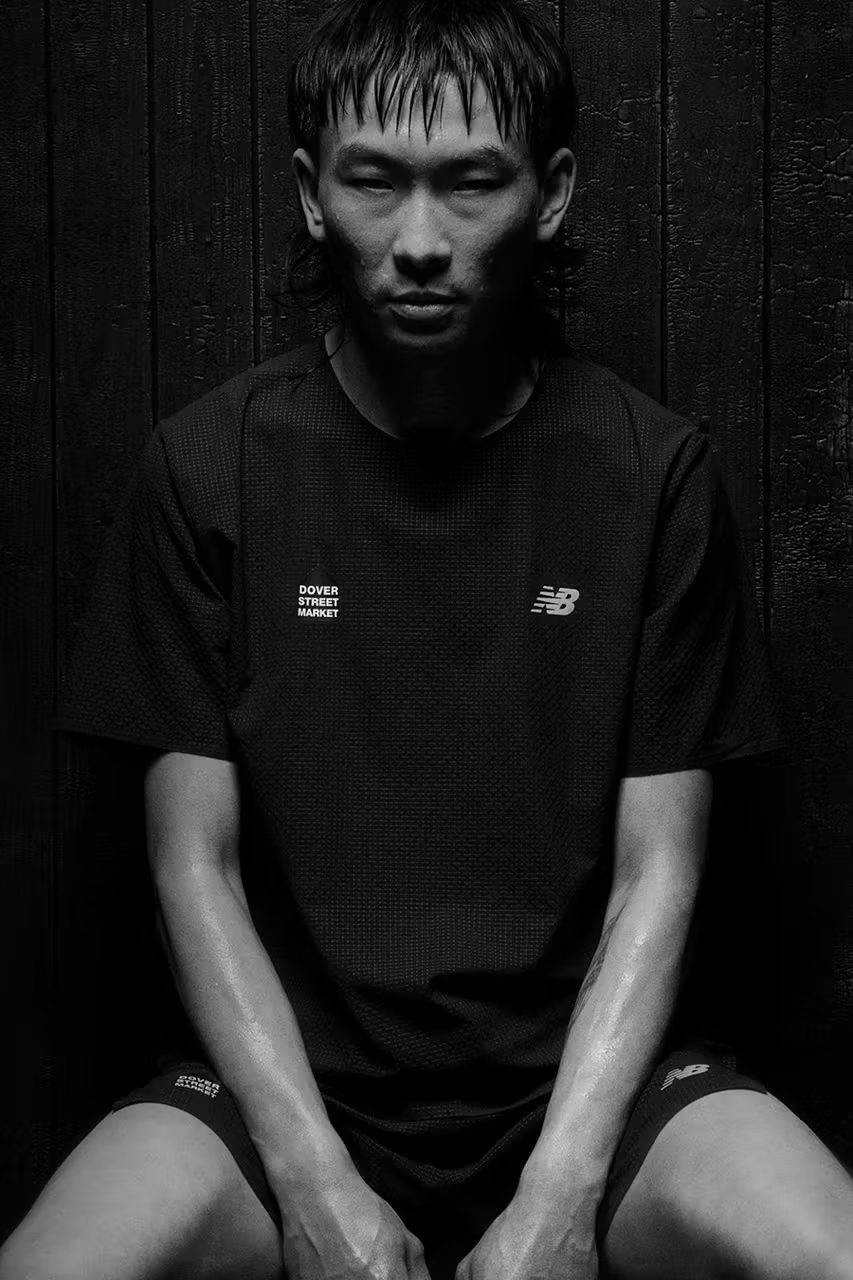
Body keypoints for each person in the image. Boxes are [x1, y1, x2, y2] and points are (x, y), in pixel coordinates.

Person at [3, 1, 853, 1278]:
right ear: (311, 193)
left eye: (469, 183)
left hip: (593, 1093)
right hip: (283, 1095)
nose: (416, 239)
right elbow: (194, 864)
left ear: (550, 194)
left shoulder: (652, 472)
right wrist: (313, 1181)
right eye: (373, 181)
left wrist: (559, 1195)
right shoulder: (210, 464)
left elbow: (659, 872)